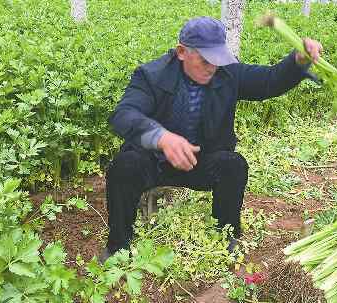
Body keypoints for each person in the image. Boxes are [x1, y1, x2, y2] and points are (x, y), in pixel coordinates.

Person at [100, 16, 322, 262]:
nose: (211, 68)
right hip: (154, 161)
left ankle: (227, 233)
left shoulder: (228, 74)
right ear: (182, 52)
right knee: (124, 166)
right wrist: (161, 138)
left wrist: (296, 61)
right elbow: (123, 115)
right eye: (205, 60)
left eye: (217, 60)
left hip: (201, 161)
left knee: (233, 165)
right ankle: (117, 246)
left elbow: (267, 82)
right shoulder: (151, 76)